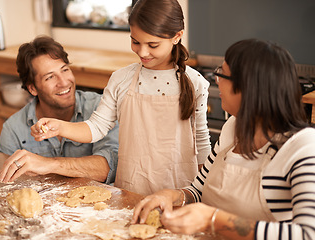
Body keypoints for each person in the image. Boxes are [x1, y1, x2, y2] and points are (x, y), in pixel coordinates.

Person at [131, 39, 315, 239]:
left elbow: (307, 234)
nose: (216, 81)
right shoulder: (233, 128)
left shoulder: (303, 147)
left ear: (247, 88)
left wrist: (214, 219)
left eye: (221, 74)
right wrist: (171, 195)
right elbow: (198, 191)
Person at [31, 0, 211, 196]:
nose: (142, 52)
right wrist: (61, 127)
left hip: (179, 192)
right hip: (132, 189)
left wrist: (202, 193)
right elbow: (97, 127)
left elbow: (201, 141)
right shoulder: (121, 79)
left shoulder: (195, 83)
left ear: (177, 37)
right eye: (135, 41)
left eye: (153, 45)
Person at [0, 36, 119, 184]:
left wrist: (49, 164)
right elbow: (6, 185)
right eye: (50, 77)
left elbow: (109, 169)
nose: (63, 82)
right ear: (33, 88)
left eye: (65, 70)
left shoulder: (101, 108)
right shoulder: (13, 129)